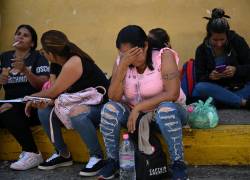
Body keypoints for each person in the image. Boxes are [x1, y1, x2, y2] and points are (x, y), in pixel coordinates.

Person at [98, 25, 188, 180]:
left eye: (133, 53)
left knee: (166, 110)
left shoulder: (163, 56)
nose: (129, 58)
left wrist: (139, 107)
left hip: (167, 113)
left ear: (145, 45)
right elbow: (113, 96)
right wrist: (123, 66)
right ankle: (113, 162)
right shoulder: (122, 62)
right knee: (109, 109)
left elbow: (172, 94)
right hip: (135, 117)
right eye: (124, 54)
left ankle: (178, 164)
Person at [25, 30, 109, 176]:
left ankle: (97, 157)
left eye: (43, 51)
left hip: (101, 107)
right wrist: (40, 100)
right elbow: (55, 96)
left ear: (50, 53)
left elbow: (53, 92)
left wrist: (30, 97)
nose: (43, 54)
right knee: (44, 111)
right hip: (78, 102)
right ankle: (62, 154)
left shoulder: (74, 62)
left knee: (77, 113)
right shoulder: (56, 64)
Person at [0, 24, 50, 170]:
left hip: (31, 104)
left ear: (32, 43)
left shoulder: (37, 57)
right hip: (9, 103)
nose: (20, 36)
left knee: (6, 109)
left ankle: (33, 152)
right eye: (18, 34)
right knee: (6, 107)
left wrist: (26, 71)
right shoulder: (4, 57)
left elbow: (43, 85)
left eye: (25, 35)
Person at [193, 8, 250, 108]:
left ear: (227, 35)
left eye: (222, 39)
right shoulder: (201, 50)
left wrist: (236, 70)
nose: (219, 44)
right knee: (200, 87)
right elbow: (199, 77)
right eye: (215, 40)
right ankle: (242, 103)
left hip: (239, 87)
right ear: (208, 36)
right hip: (216, 88)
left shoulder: (238, 42)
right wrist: (210, 76)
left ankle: (226, 101)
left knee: (208, 99)